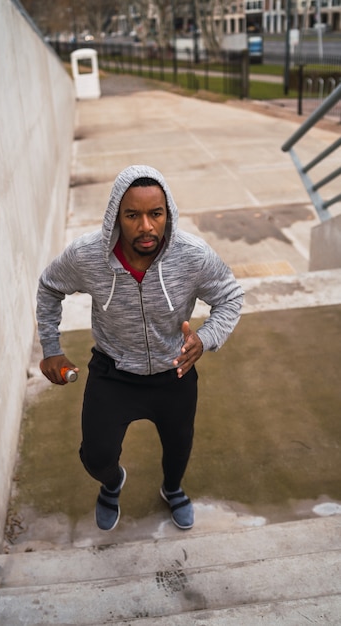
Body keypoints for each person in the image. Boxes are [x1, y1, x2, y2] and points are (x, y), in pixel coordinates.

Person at [36, 164, 244, 532]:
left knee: (179, 449)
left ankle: (173, 489)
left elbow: (229, 297)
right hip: (113, 372)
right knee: (96, 457)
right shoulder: (88, 256)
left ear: (169, 214)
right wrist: (51, 347)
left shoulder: (192, 255)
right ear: (117, 216)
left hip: (174, 372)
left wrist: (206, 338)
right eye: (133, 215)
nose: (146, 226)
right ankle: (112, 482)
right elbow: (50, 286)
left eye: (156, 214)